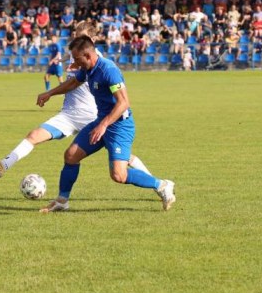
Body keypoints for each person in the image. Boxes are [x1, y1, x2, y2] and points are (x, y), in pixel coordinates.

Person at [0, 22, 152, 180]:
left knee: (122, 158)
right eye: (75, 36)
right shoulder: (75, 54)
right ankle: (3, 165)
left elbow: (76, 81)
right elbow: (71, 68)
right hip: (68, 115)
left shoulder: (94, 60)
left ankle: (156, 183)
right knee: (34, 135)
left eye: (80, 37)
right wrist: (51, 89)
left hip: (91, 117)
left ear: (91, 40)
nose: (76, 40)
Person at [33, 35, 176, 213]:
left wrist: (104, 125)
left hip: (119, 126)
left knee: (118, 175)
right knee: (71, 155)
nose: (74, 63)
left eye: (77, 59)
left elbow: (123, 103)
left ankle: (162, 185)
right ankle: (62, 200)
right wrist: (50, 93)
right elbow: (73, 83)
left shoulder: (109, 70)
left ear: (88, 56)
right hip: (102, 122)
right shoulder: (88, 69)